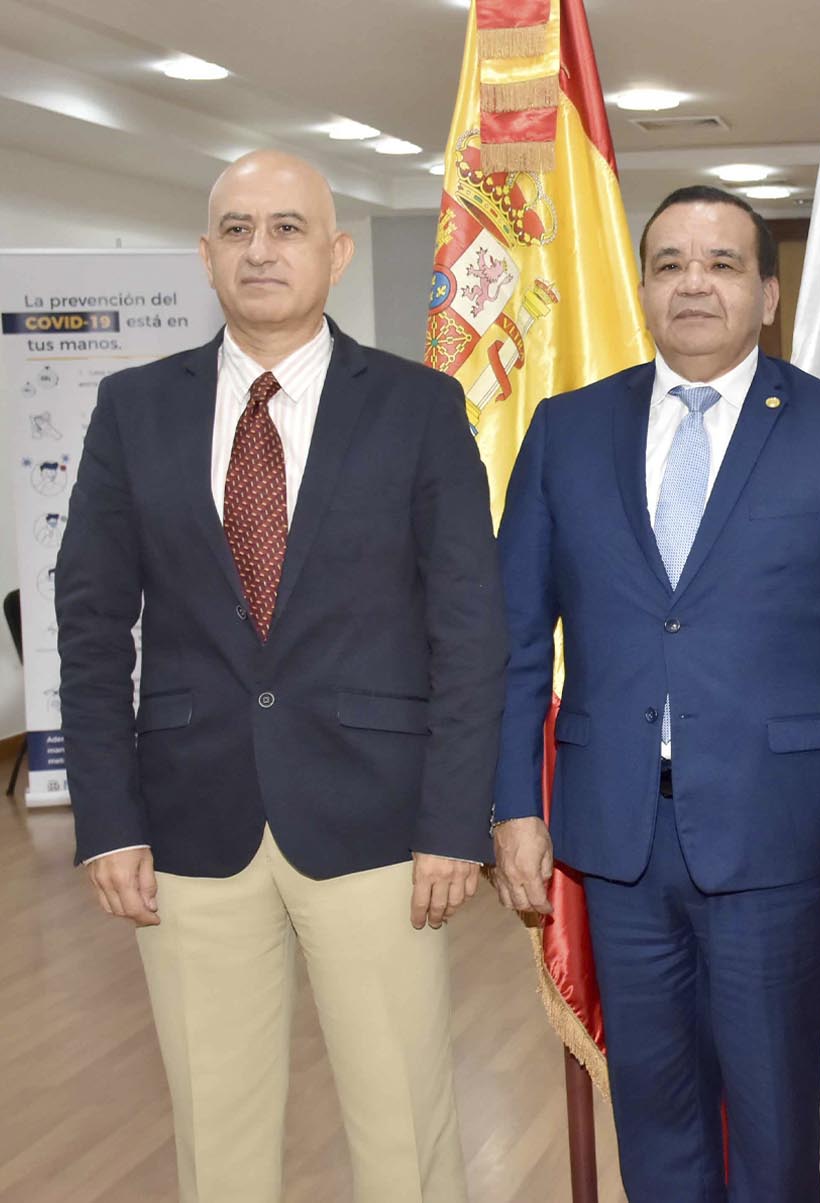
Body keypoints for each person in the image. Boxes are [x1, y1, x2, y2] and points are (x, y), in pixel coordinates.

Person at [55, 150, 506, 1203]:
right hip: (185, 828)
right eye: (239, 229)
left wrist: (453, 823)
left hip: (380, 827)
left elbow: (470, 628)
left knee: (404, 1122)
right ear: (206, 254)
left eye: (289, 227)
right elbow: (89, 627)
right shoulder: (133, 410)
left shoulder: (419, 406)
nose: (262, 249)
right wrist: (108, 819)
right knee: (218, 1129)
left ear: (337, 254)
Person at [489, 185, 820, 1203]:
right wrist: (514, 804)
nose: (695, 282)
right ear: (642, 286)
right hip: (618, 837)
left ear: (769, 294)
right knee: (653, 1102)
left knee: (773, 1114)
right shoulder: (567, 432)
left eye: (723, 263)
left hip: (782, 838)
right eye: (671, 263)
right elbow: (512, 642)